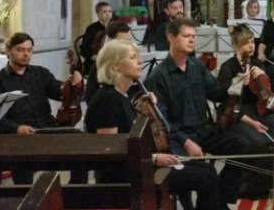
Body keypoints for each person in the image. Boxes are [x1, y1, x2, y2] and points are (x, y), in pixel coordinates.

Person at [85, 39, 223, 209]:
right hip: (126, 177)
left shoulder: (121, 95)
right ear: (115, 66)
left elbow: (130, 131)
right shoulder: (108, 100)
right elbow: (110, 152)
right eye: (133, 57)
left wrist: (145, 108)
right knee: (206, 178)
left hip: (138, 167)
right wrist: (155, 159)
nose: (140, 61)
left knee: (207, 170)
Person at [144, 17, 251, 206]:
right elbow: (163, 122)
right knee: (202, 172)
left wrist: (237, 81)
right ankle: (214, 203)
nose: (192, 40)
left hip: (202, 130)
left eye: (193, 36)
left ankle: (220, 199)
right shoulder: (158, 76)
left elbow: (217, 93)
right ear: (171, 37)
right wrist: (187, 143)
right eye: (186, 36)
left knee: (241, 145)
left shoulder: (197, 66)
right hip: (178, 137)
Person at [0, 32, 83, 184]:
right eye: (20, 50)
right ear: (8, 51)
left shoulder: (40, 73)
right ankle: (25, 197)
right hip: (18, 137)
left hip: (46, 129)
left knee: (81, 145)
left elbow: (59, 92)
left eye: (29, 50)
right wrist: (17, 128)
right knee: (22, 159)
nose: (26, 54)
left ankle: (74, 194)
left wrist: (71, 84)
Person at [216, 24, 274, 198]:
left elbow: (266, 93)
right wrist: (240, 82)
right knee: (259, 141)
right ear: (235, 46)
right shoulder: (228, 68)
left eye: (252, 43)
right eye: (246, 43)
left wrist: (263, 75)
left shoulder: (256, 63)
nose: (251, 46)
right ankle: (254, 188)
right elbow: (227, 103)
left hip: (258, 110)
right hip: (237, 115)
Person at [84, 21, 133, 105]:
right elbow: (90, 99)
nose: (128, 46)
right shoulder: (98, 67)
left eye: (129, 41)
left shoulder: (133, 64)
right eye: (123, 43)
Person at [79, 1, 113, 75]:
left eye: (110, 11)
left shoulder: (115, 27)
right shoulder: (91, 29)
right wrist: (96, 58)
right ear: (98, 14)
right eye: (104, 12)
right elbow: (84, 50)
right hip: (94, 63)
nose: (108, 14)